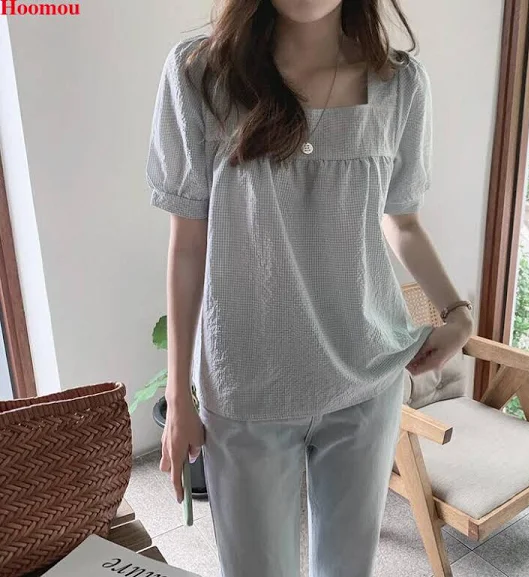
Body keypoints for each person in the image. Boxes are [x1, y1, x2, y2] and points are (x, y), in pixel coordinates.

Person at [146, 1, 474, 576]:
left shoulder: (400, 85)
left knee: (349, 567)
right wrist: (179, 397)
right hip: (247, 384)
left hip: (366, 379)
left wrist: (457, 312)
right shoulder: (199, 76)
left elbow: (402, 221)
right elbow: (188, 244)